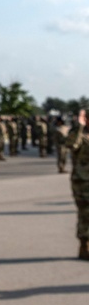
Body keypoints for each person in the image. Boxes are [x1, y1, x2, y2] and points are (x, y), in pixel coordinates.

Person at [64, 110, 89, 260]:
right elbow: (71, 144)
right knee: (86, 214)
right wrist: (78, 126)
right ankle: (84, 245)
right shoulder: (81, 137)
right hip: (83, 182)